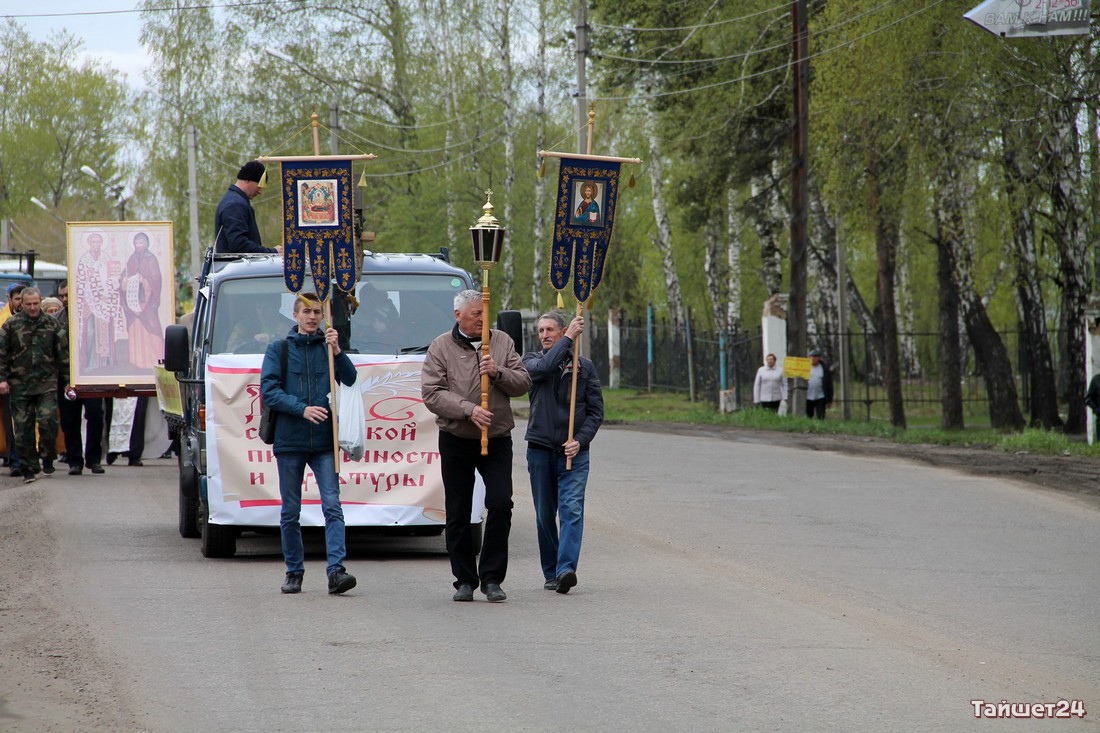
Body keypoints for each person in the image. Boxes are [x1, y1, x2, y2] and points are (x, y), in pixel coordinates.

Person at [421, 289, 530, 603]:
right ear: (458, 316)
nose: (482, 319)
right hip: (457, 438)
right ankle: (465, 580)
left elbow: (523, 382)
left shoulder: (502, 342)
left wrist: (498, 373)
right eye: (475, 314)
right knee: (458, 510)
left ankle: (492, 578)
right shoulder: (441, 347)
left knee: (500, 503)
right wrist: (468, 409)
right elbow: (432, 393)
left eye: (485, 312)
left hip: (496, 438)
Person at [261, 292, 357, 595]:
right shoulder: (279, 349)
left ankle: (336, 571)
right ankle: (294, 571)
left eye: (317, 311)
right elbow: (269, 391)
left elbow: (351, 379)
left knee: (333, 505)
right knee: (291, 510)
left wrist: (338, 351)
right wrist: (301, 408)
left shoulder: (327, 348)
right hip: (290, 441)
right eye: (307, 311)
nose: (313, 316)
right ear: (295, 315)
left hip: (325, 442)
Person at [523, 311, 603, 594]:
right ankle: (550, 571)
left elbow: (595, 412)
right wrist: (568, 339)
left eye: (549, 330)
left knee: (571, 510)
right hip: (541, 450)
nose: (543, 335)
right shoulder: (530, 361)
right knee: (545, 514)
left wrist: (580, 440)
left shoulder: (585, 367)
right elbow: (545, 369)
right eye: (541, 330)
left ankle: (566, 569)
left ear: (562, 330)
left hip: (574, 453)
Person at [0, 288, 69, 483]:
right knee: (23, 429)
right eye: (28, 304)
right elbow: (1, 354)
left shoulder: (51, 323)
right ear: (21, 303)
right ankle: (28, 467)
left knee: (48, 422)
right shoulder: (11, 325)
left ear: (40, 302)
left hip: (46, 383)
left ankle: (47, 457)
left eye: (36, 304)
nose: (32, 308)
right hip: (19, 385)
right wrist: (2, 379)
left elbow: (62, 354)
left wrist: (68, 381)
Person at [53, 285, 105, 475]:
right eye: (62, 296)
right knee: (69, 420)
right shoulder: (56, 320)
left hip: (90, 376)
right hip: (66, 379)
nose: (65, 299)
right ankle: (75, 460)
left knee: (95, 416)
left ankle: (94, 459)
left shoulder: (94, 317)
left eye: (68, 295)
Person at [76, 230, 124, 371]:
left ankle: (105, 363)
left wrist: (109, 289)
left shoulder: (105, 258)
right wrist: (88, 277)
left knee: (105, 332)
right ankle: (90, 363)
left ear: (101, 243)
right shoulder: (84, 259)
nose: (95, 244)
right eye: (93, 242)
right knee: (90, 331)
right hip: (89, 303)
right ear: (89, 243)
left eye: (98, 241)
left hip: (104, 301)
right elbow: (79, 281)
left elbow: (111, 277)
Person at [214, 161, 282, 254]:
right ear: (247, 179)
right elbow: (238, 244)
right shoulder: (235, 204)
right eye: (259, 186)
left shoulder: (234, 201)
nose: (260, 191)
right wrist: (272, 252)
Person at [120, 231, 163, 369]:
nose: (139, 246)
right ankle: (138, 361)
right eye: (137, 243)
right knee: (135, 326)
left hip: (147, 302)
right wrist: (125, 281)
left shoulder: (152, 259)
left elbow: (156, 279)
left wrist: (144, 280)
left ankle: (156, 360)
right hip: (134, 301)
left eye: (141, 243)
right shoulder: (132, 258)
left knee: (152, 326)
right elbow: (124, 275)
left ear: (146, 244)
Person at [0, 283, 25, 475]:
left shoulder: (41, 320)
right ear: (10, 300)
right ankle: (15, 461)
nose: (20, 303)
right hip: (12, 380)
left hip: (36, 381)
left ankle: (29, 460)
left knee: (30, 421)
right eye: (17, 299)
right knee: (13, 422)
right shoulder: (5, 323)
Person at [806, 348, 834, 420]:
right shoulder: (805, 367)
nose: (813, 358)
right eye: (811, 356)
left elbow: (829, 384)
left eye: (815, 356)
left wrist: (829, 400)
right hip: (807, 397)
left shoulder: (824, 368)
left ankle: (820, 430)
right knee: (808, 416)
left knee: (821, 416)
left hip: (820, 396)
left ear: (819, 358)